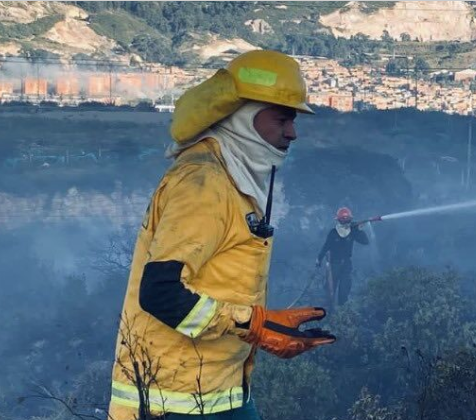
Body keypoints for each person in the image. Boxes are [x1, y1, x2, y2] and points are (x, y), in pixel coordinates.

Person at [108, 50, 335, 420]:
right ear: (243, 117)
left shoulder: (233, 178)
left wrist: (263, 323)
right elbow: (160, 292)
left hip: (220, 390)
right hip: (172, 400)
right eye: (282, 119)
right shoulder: (203, 182)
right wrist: (255, 324)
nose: (292, 132)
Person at [316, 207, 370, 306]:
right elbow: (326, 246)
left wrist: (359, 230)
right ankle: (327, 313)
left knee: (344, 291)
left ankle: (342, 314)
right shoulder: (333, 232)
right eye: (343, 219)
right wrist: (319, 259)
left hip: (346, 265)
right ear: (338, 220)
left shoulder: (353, 232)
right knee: (329, 291)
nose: (345, 222)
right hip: (333, 265)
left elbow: (365, 242)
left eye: (347, 219)